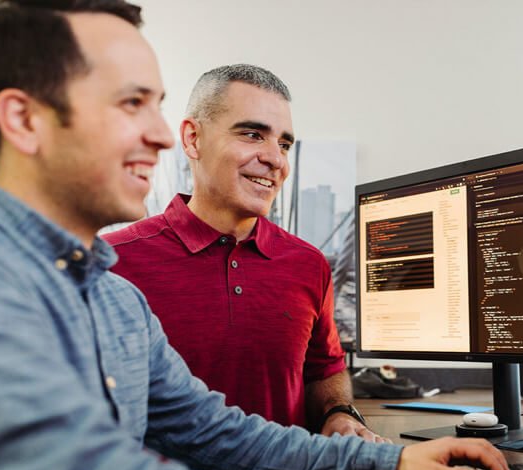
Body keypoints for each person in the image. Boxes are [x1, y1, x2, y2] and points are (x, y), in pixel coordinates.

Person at [0, 2, 523, 470]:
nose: (159, 134)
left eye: (158, 105)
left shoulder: (110, 298)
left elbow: (225, 434)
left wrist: (390, 458)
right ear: (24, 118)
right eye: (133, 103)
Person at [103, 64, 382, 441]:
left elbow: (324, 369)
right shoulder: (112, 263)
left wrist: (338, 413)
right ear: (193, 139)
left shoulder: (309, 264)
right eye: (253, 134)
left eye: (284, 144)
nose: (276, 160)